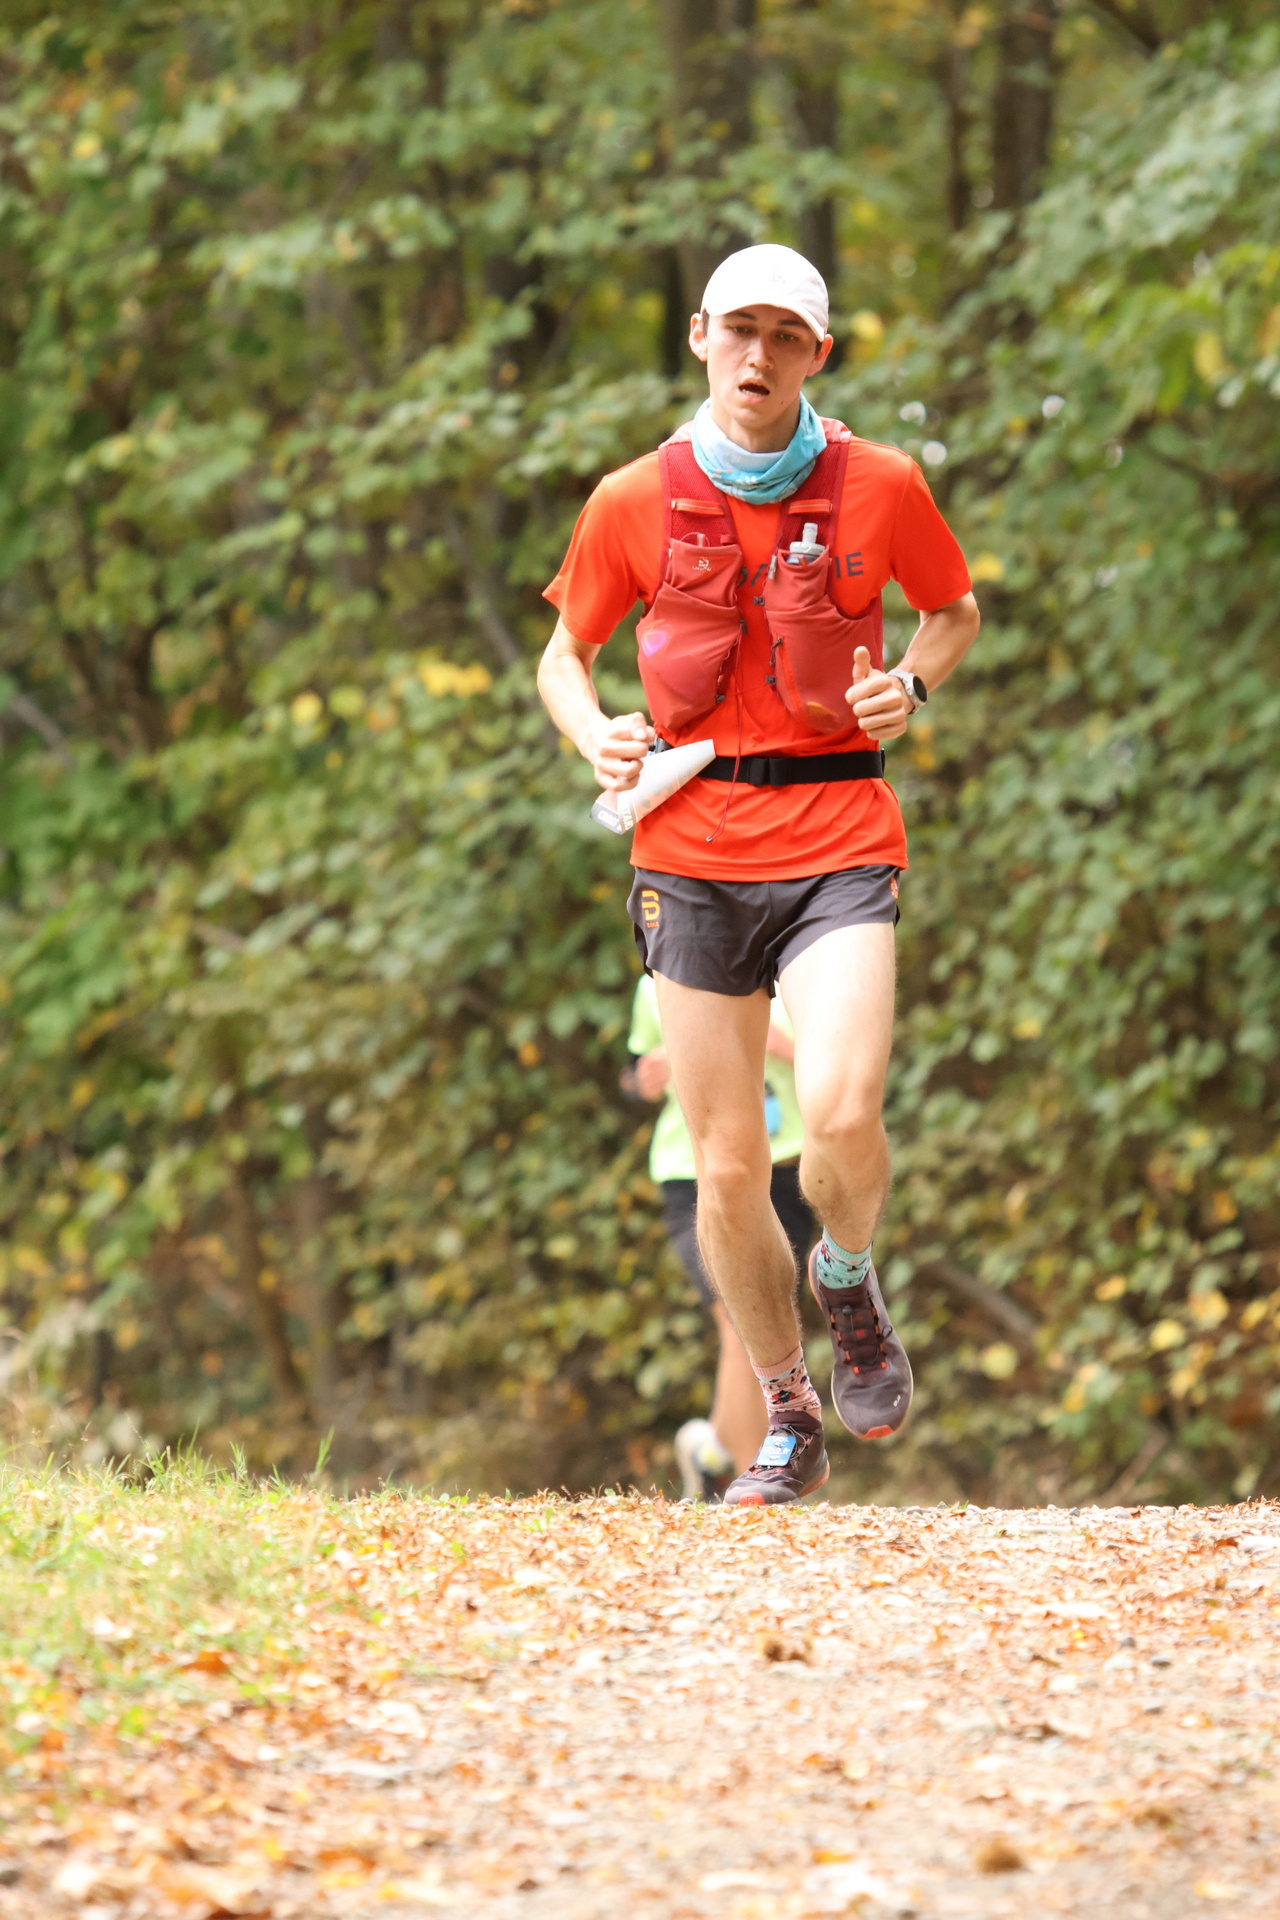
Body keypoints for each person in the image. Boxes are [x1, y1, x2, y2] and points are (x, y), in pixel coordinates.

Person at [538, 243, 979, 1505]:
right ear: (698, 336)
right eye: (739, 329)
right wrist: (592, 731)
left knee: (837, 1114)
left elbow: (951, 610)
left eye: (787, 336)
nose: (758, 354)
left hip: (837, 831)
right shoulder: (631, 498)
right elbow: (562, 656)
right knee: (726, 1165)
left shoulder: (880, 483)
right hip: (687, 854)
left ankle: (845, 1273)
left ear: (816, 355)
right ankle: (786, 1413)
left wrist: (911, 686)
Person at [625, 972, 815, 1501]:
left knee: (770, 1323)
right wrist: (645, 1079)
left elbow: (841, 1067)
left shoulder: (802, 966)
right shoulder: (660, 981)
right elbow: (634, 1072)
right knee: (740, 1321)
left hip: (783, 1170)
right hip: (693, 1173)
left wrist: (774, 1043)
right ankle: (761, 1494)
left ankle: (713, 1456)